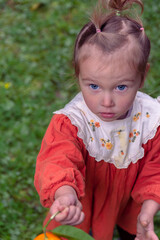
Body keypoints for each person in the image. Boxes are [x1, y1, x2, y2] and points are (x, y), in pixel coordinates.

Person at [34, 0, 160, 239]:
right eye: (93, 85)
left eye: (121, 87)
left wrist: (148, 210)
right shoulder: (72, 123)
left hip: (130, 202)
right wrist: (64, 193)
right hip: (84, 203)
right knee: (83, 233)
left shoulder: (151, 120)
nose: (106, 101)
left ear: (142, 78)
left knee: (132, 229)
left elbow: (156, 167)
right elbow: (57, 159)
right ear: (78, 75)